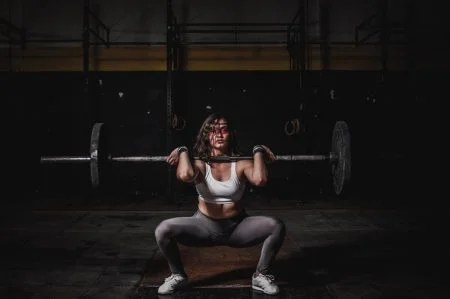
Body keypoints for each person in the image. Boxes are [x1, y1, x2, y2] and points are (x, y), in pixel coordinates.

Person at [154, 113, 286, 295]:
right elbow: (185, 175)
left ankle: (261, 275)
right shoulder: (199, 164)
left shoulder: (241, 163)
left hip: (238, 228)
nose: (218, 134)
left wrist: (258, 151)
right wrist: (183, 151)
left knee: (276, 226)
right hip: (203, 228)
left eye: (223, 129)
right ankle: (178, 275)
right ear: (206, 136)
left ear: (230, 134)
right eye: (212, 130)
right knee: (163, 229)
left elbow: (260, 179)